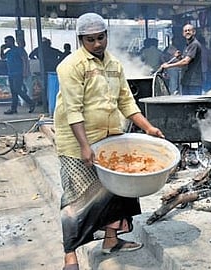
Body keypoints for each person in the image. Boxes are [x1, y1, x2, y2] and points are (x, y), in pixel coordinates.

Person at [54, 13, 164, 270]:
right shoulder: (71, 66)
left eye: (100, 38)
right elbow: (73, 109)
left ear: (106, 36)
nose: (97, 44)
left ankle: (111, 241)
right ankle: (70, 256)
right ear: (81, 39)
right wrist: (84, 146)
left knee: (116, 192)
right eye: (90, 40)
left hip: (109, 138)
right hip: (76, 143)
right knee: (76, 200)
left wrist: (148, 128)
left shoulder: (113, 64)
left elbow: (126, 101)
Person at [160, 24, 202, 95]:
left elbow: (186, 61)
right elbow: (185, 60)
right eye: (185, 31)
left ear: (194, 32)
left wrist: (168, 66)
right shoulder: (187, 45)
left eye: (189, 30)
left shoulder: (194, 44)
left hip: (193, 82)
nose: (187, 32)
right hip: (186, 80)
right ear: (183, 34)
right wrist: (179, 57)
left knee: (193, 104)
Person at [0, 35, 35, 114]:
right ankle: (13, 108)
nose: (6, 43)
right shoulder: (9, 51)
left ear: (11, 41)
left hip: (18, 73)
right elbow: (3, 57)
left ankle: (31, 102)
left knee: (17, 89)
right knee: (13, 92)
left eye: (6, 41)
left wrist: (25, 71)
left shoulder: (19, 49)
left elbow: (25, 60)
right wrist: (1, 50)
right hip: (11, 73)